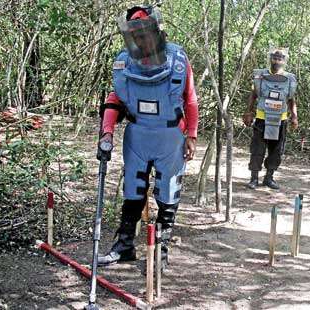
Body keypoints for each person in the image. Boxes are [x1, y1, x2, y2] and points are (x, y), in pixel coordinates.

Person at [96, 5, 199, 271]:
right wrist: (106, 133)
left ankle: (160, 250)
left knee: (168, 192)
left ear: (155, 30)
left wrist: (192, 135)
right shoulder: (124, 62)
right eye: (135, 34)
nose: (141, 39)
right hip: (138, 135)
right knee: (133, 191)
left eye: (144, 32)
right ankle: (124, 245)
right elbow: (115, 98)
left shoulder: (178, 59)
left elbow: (190, 99)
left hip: (169, 136)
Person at [242, 48, 298, 190]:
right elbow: (254, 94)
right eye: (274, 58)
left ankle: (269, 177)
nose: (277, 61)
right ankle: (254, 178)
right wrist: (248, 111)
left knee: (276, 150)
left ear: (284, 61)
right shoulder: (260, 76)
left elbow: (291, 99)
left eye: (280, 59)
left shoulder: (289, 79)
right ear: (270, 58)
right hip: (262, 117)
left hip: (281, 119)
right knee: (257, 149)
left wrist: (294, 116)